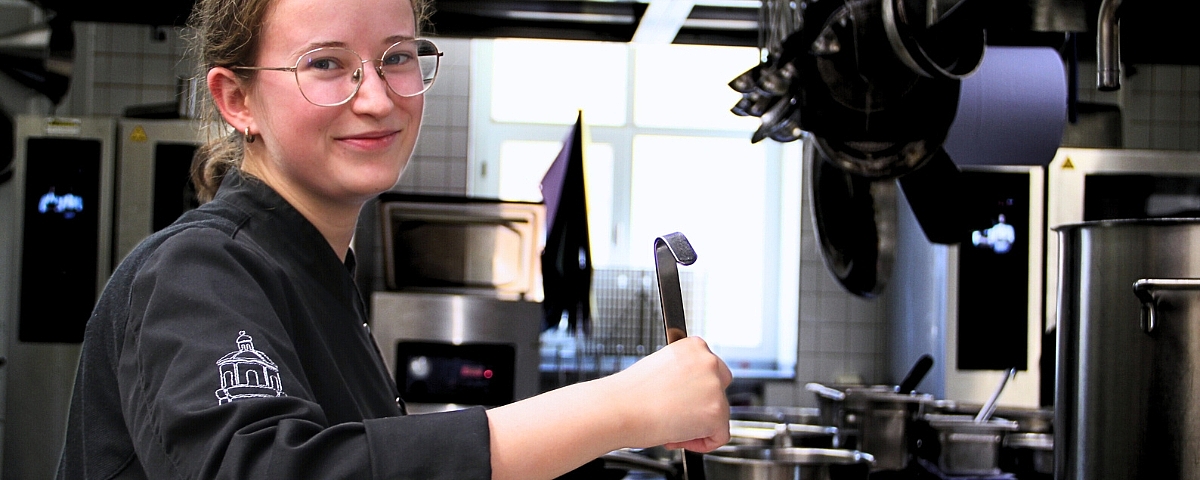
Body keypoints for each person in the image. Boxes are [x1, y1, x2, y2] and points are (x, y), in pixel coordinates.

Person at [55, 0, 733, 478]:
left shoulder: (322, 279)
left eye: (397, 57)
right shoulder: (195, 271)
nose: (377, 98)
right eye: (325, 63)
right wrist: (620, 407)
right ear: (237, 100)